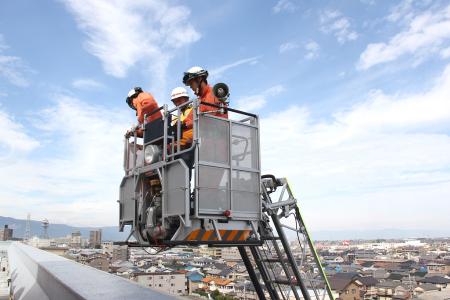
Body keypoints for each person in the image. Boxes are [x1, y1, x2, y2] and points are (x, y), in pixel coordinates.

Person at [170, 87, 194, 178]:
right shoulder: (177, 117)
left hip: (189, 146)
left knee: (184, 170)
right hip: (176, 148)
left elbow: (196, 123)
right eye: (175, 101)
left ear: (186, 99)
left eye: (179, 100)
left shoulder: (194, 109)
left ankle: (185, 189)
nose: (177, 103)